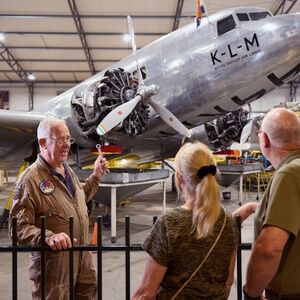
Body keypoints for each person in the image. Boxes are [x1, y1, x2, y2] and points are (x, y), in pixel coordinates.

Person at [9, 117, 108, 300]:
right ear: (43, 143)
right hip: (54, 267)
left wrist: (96, 176)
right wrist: (48, 237)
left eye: (68, 139)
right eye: (60, 140)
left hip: (82, 260)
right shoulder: (30, 179)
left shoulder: (67, 171)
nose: (66, 145)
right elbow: (17, 229)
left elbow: (77, 201)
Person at [132, 142, 238, 300]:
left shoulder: (169, 223)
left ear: (180, 177)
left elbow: (146, 293)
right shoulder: (227, 222)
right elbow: (228, 280)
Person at [234, 108, 300, 300]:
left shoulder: (288, 174)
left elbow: (269, 249)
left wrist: (251, 294)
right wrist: (259, 207)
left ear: (264, 140)